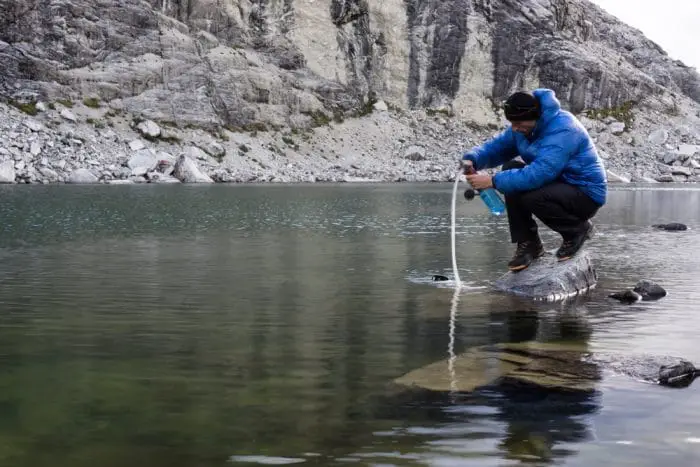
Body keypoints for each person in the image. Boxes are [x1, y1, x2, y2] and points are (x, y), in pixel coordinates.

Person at [461, 88, 607, 272]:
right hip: (558, 185)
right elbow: (497, 148)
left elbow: (540, 174)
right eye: (512, 123)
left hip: (585, 193)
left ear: (535, 116)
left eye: (518, 122)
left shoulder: (563, 129)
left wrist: (493, 181)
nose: (514, 127)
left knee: (531, 196)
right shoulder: (523, 128)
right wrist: (472, 158)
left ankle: (577, 230)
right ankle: (529, 244)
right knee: (510, 169)